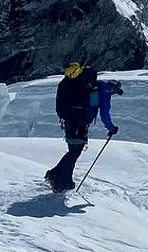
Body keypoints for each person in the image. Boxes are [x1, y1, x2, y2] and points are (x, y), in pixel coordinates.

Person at [44, 62, 123, 192]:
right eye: (115, 90)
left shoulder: (93, 85)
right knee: (75, 152)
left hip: (71, 119)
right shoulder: (104, 91)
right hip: (79, 120)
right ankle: (54, 174)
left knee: (73, 151)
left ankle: (65, 180)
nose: (114, 92)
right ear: (112, 86)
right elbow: (104, 113)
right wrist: (111, 128)